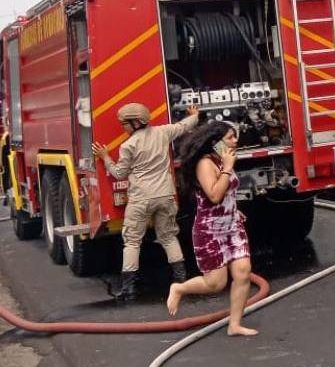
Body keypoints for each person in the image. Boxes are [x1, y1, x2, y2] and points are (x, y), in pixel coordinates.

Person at [93, 103, 199, 300]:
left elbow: (119, 173)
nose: (123, 127)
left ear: (134, 123)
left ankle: (129, 288)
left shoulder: (128, 146)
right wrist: (194, 115)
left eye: (124, 123)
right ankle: (181, 280)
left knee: (132, 242)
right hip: (166, 196)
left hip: (141, 199)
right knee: (168, 237)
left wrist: (105, 157)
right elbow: (184, 126)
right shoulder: (163, 132)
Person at [165, 121, 257, 336]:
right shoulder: (205, 164)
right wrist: (226, 169)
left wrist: (234, 210)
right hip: (209, 231)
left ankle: (234, 325)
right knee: (216, 283)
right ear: (215, 143)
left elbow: (228, 194)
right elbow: (214, 196)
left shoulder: (224, 160)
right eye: (230, 138)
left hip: (232, 225)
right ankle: (179, 288)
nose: (236, 141)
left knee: (243, 272)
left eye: (235, 136)